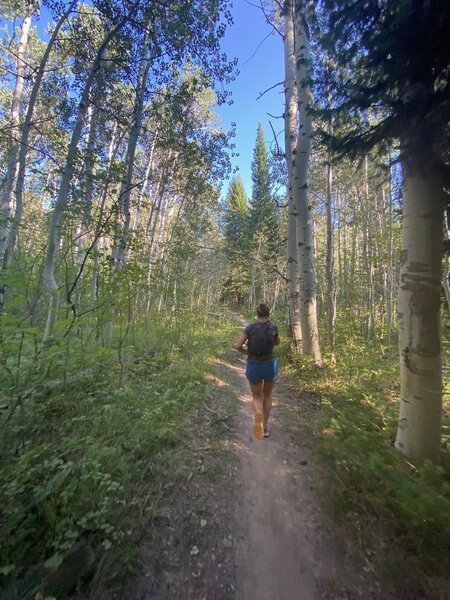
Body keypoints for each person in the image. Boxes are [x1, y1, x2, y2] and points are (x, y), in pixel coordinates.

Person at [234, 303, 280, 439]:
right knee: (268, 395)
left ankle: (258, 414)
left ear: (257, 314)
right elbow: (277, 342)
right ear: (268, 314)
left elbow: (237, 345)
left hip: (254, 364)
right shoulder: (273, 327)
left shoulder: (250, 328)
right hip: (269, 365)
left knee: (257, 396)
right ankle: (265, 427)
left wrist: (246, 352)